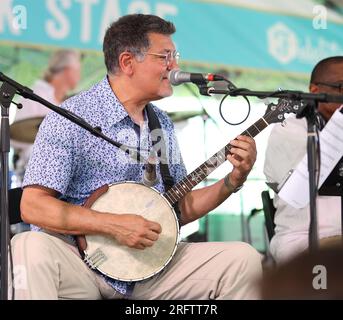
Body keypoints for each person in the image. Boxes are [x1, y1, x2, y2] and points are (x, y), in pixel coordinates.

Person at [10, 14, 262, 300]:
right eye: (165, 57)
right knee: (29, 245)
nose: (175, 67)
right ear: (128, 62)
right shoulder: (70, 117)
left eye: (175, 56)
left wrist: (233, 180)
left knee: (242, 259)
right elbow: (32, 206)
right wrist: (113, 225)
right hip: (80, 265)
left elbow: (180, 208)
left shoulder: (161, 123)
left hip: (149, 269)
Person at [264, 56, 343, 264]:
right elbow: (301, 187)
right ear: (315, 91)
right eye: (341, 87)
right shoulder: (290, 130)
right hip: (302, 239)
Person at [11, 49, 81, 183]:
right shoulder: (34, 96)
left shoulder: (68, 102)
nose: (79, 75)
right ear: (67, 70)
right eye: (77, 70)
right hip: (35, 172)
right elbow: (16, 137)